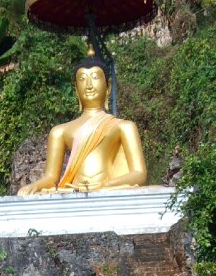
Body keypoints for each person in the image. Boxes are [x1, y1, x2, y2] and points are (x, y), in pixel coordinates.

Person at [17, 53, 147, 195]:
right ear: (76, 90)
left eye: (95, 78)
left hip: (108, 192)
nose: (89, 85)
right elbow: (51, 177)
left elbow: (139, 174)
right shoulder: (60, 131)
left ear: (108, 87)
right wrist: (35, 185)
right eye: (82, 79)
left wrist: (106, 185)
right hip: (74, 193)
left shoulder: (124, 127)